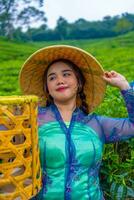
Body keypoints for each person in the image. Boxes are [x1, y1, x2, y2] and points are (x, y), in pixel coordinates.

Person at [19, 45, 134, 200]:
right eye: (52, 78)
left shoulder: (96, 124)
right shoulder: (31, 120)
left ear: (79, 82)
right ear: (47, 88)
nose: (59, 80)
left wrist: (124, 86)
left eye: (66, 74)